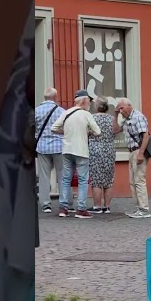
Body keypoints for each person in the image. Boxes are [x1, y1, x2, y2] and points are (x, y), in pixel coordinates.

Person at [53, 90, 100, 219]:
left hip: (67, 149)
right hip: (81, 151)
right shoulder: (86, 114)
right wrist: (87, 132)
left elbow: (54, 128)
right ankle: (81, 209)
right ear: (84, 101)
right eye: (89, 101)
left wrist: (67, 133)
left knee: (66, 179)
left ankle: (63, 208)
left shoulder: (66, 113)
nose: (89, 104)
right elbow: (97, 131)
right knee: (83, 180)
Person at [113, 98, 151, 219]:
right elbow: (115, 130)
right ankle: (139, 208)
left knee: (139, 180)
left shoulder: (138, 117)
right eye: (119, 109)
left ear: (129, 106)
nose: (120, 111)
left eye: (122, 108)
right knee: (133, 181)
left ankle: (144, 209)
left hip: (138, 150)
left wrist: (141, 153)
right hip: (131, 151)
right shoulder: (126, 119)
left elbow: (146, 136)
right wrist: (115, 115)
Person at [33, 87, 64, 213]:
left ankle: (45, 204)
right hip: (59, 146)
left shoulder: (36, 111)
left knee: (44, 176)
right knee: (62, 176)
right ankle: (64, 203)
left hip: (42, 147)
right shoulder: (61, 111)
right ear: (55, 97)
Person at [88, 97, 115, 213]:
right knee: (109, 179)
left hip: (95, 149)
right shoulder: (112, 119)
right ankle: (107, 206)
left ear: (97, 106)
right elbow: (116, 130)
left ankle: (97, 206)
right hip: (109, 149)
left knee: (96, 179)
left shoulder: (92, 118)